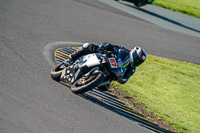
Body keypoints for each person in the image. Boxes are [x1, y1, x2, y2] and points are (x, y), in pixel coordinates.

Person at [68, 42, 147, 91]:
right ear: (134, 53)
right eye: (137, 59)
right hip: (105, 59)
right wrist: (105, 46)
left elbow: (124, 80)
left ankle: (89, 80)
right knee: (88, 46)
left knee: (105, 87)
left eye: (139, 61)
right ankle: (73, 57)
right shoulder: (123, 51)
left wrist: (120, 77)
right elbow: (111, 46)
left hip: (110, 73)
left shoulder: (132, 69)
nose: (137, 62)